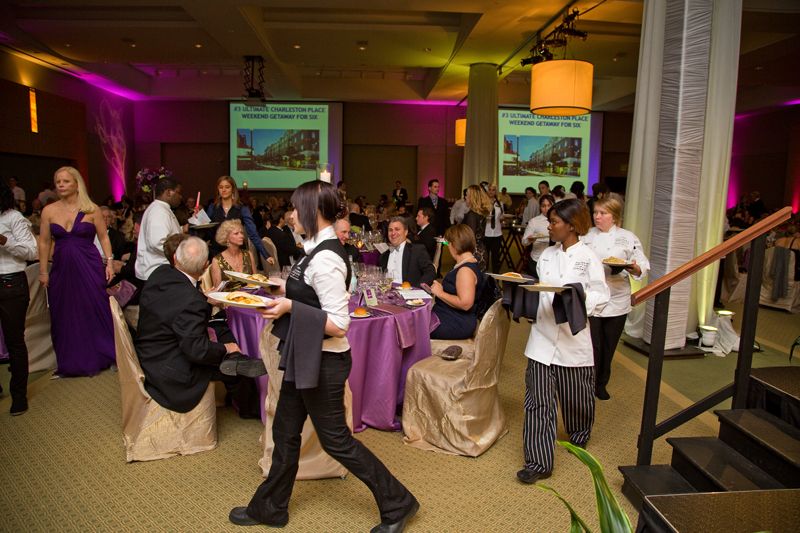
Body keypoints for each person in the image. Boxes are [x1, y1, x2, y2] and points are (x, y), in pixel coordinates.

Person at [229, 180, 419, 532]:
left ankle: (398, 502)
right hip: (306, 355)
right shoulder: (315, 249)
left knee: (337, 442)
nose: (291, 214)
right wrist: (280, 289)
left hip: (326, 362)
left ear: (312, 213)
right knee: (285, 431)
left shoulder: (328, 258)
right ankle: (271, 507)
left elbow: (339, 323)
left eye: (296, 207)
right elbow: (307, 291)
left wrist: (289, 306)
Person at [518, 198, 609, 485]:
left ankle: (580, 433)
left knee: (577, 397)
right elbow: (542, 291)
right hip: (542, 338)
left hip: (573, 338)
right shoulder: (545, 256)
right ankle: (538, 461)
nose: (549, 226)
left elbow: (601, 295)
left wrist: (576, 299)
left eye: (554, 222)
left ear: (571, 226)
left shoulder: (588, 257)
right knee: (537, 403)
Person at [135, 236, 263, 413]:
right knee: (234, 360)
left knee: (221, 327)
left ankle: (238, 361)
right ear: (205, 267)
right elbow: (197, 351)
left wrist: (204, 301)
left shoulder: (160, 273)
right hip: (171, 369)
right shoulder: (192, 300)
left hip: (152, 351)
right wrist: (226, 348)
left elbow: (175, 305)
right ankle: (251, 409)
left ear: (174, 258)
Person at [38, 166, 116, 377]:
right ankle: (71, 362)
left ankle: (104, 354)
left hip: (88, 266)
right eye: (58, 182)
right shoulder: (49, 211)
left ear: (76, 183)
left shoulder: (92, 209)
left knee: (94, 306)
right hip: (62, 268)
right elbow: (44, 242)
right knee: (65, 312)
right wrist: (43, 270)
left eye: (65, 181)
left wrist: (109, 262)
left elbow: (104, 237)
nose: (61, 185)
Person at [582, 196, 649, 400]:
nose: (597, 217)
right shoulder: (586, 236)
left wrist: (634, 267)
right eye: (595, 212)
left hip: (617, 297)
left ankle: (602, 382)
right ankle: (588, 382)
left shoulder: (628, 237)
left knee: (609, 345)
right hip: (592, 296)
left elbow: (641, 264)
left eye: (603, 213)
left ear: (615, 216)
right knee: (593, 344)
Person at [0, 180, 38, 415]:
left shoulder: (14, 218)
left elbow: (31, 251)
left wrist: (5, 241)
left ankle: (19, 396)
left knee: (14, 341)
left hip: (10, 282)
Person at [430, 224, 485, 340]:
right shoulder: (469, 264)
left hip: (455, 323)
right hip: (451, 317)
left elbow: (465, 304)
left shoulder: (465, 270)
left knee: (410, 327)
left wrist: (440, 293)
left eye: (447, 243)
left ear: (454, 244)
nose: (448, 247)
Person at [206, 175, 273, 265]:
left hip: (237, 253)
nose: (224, 190)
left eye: (227, 187)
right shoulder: (212, 208)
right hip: (217, 253)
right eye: (221, 187)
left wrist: (266, 255)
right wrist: (196, 218)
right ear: (218, 190)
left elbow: (252, 233)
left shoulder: (242, 208)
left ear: (233, 189)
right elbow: (205, 230)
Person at [135, 177, 183, 281]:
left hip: (159, 271)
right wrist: (183, 255)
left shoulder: (160, 208)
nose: (180, 197)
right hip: (157, 272)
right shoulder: (159, 211)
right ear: (169, 192)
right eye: (178, 193)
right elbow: (158, 242)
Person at [379, 216, 436, 287]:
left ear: (406, 232)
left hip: (409, 294)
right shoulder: (384, 256)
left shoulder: (417, 251)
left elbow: (430, 272)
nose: (393, 233)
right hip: (387, 294)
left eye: (397, 229)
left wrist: (416, 290)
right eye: (390, 230)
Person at [211, 220, 257, 291]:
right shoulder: (217, 260)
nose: (241, 236)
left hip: (251, 298)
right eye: (236, 233)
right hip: (229, 299)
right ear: (226, 237)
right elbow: (218, 290)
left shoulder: (248, 254)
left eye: (241, 233)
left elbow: (257, 281)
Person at [521, 194, 555, 276]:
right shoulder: (534, 221)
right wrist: (529, 240)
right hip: (537, 259)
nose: (546, 209)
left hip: (555, 259)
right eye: (543, 206)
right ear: (540, 207)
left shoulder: (560, 220)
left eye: (549, 205)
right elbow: (524, 242)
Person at [462, 184, 491, 271]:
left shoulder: (472, 215)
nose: (465, 197)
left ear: (472, 197)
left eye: (467, 195)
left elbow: (470, 237)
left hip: (473, 254)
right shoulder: (480, 213)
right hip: (481, 250)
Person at [484, 183, 504, 273]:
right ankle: (484, 277)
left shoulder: (500, 203)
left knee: (496, 257)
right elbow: (480, 216)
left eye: (493, 190)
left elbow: (501, 216)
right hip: (486, 233)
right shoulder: (483, 202)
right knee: (485, 257)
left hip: (497, 233)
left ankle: (496, 278)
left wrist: (502, 219)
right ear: (487, 191)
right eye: (490, 189)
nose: (491, 192)